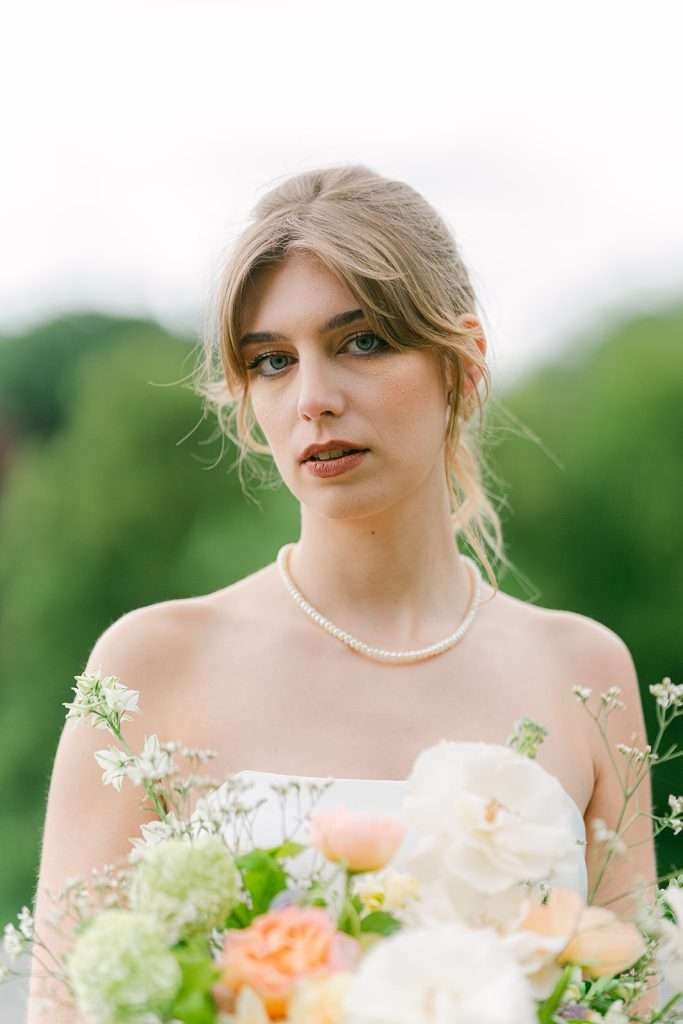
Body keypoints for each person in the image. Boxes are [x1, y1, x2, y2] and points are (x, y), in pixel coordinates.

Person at [26, 164, 657, 1021]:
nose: (314, 400)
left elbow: (635, 1000)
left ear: (461, 362)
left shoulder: (584, 672)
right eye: (273, 361)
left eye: (360, 342)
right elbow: (67, 1004)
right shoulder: (152, 664)